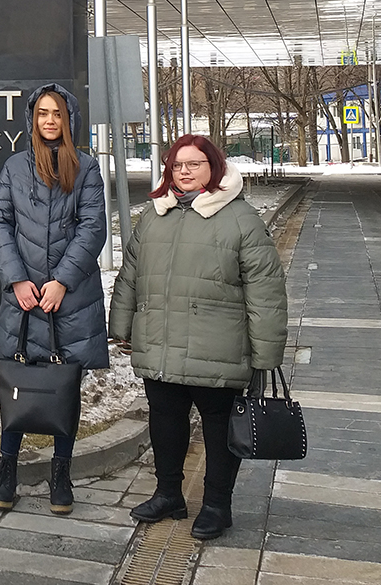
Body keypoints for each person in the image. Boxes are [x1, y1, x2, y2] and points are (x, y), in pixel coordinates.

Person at [108, 134, 287, 540]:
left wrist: (266, 353)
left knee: (219, 428)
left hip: (217, 347)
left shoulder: (240, 218)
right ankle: (168, 494)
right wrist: (121, 326)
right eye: (177, 165)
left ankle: (217, 505)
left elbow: (266, 289)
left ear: (214, 167)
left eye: (194, 164)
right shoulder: (155, 214)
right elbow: (131, 274)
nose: (184, 171)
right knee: (165, 420)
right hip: (161, 342)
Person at [0, 83, 108, 514]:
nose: (50, 121)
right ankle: (6, 471)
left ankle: (62, 474)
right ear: (32, 119)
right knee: (17, 383)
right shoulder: (14, 166)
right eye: (42, 113)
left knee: (63, 386)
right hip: (23, 299)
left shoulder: (87, 168)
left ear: (69, 119)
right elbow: (1, 223)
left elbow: (93, 228)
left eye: (57, 113)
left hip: (69, 299)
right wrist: (17, 280)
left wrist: (61, 281)